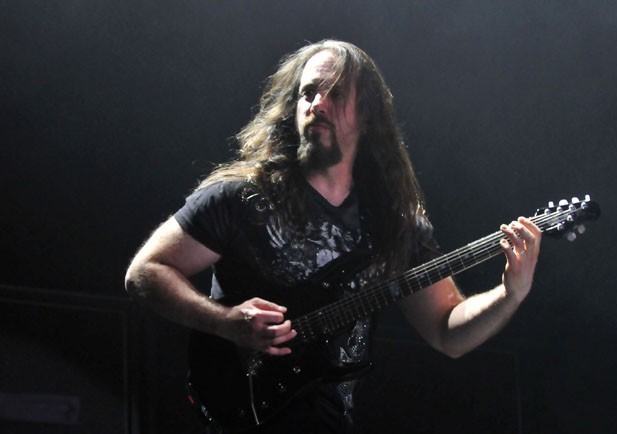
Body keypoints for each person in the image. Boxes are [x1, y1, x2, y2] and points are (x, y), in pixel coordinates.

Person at [124, 39, 541, 434]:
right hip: (241, 405)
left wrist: (510, 294)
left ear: (367, 114)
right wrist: (226, 323)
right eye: (308, 93)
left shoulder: (395, 227)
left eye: (336, 94)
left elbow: (448, 331)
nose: (317, 104)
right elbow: (146, 271)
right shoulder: (240, 198)